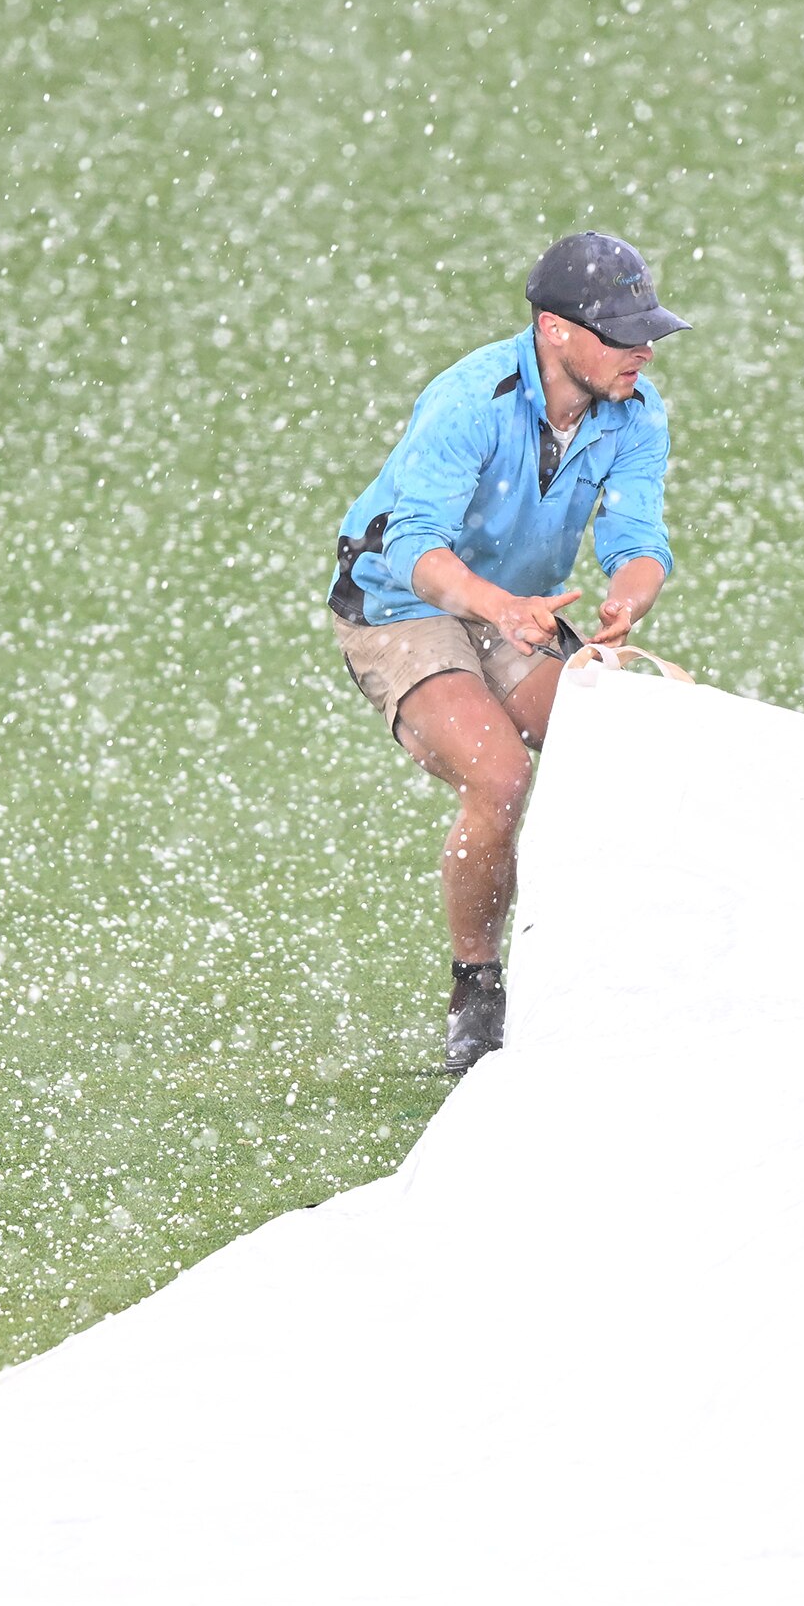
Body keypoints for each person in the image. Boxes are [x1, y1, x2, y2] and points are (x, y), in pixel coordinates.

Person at [326, 232, 687, 1073]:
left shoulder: (637, 409)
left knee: (611, 753)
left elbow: (638, 535)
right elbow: (416, 547)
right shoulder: (469, 400)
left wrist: (630, 593)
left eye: (648, 330)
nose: (643, 349)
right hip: (401, 605)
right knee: (499, 777)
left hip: (516, 606)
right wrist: (501, 607)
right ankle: (477, 987)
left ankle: (605, 967)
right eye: (622, 331)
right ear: (555, 331)